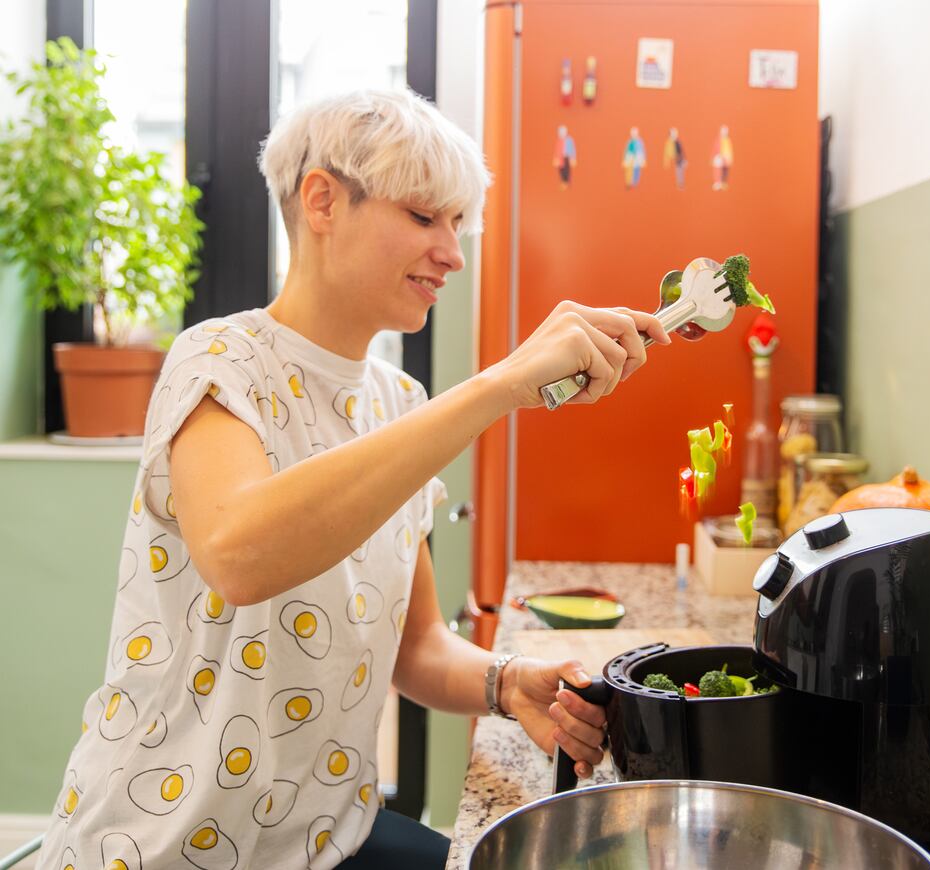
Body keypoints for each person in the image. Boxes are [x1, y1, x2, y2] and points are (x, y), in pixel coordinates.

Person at [36, 88, 669, 870]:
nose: (453, 253)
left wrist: (507, 683)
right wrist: (499, 385)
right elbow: (239, 554)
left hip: (328, 837)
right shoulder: (219, 361)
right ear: (323, 201)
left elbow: (418, 645)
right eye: (424, 216)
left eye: (458, 224)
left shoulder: (399, 402)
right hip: (164, 844)